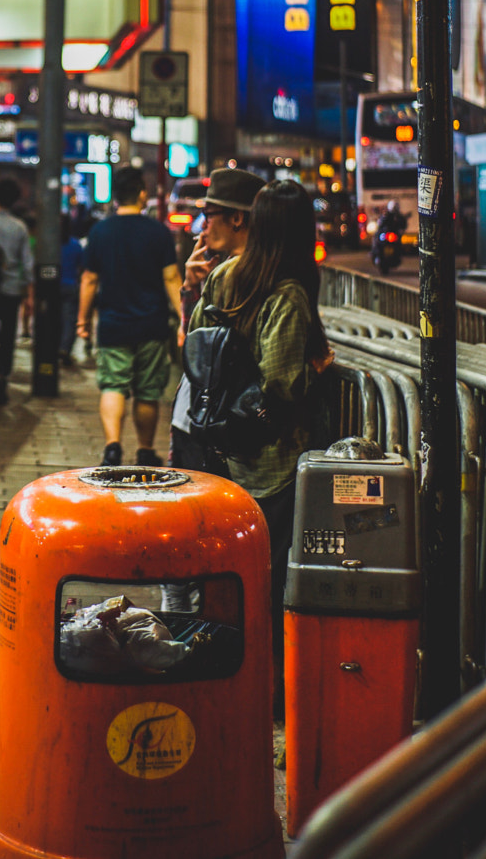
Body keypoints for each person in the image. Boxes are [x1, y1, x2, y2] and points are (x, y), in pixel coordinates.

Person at [188, 179, 331, 705]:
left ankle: (222, 673)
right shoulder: (288, 294)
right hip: (272, 462)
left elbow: (196, 346)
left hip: (219, 446)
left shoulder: (225, 277)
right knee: (270, 585)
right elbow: (282, 382)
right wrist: (317, 370)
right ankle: (266, 693)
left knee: (225, 574)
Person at [76, 167, 182, 468]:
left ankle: (113, 447)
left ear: (114, 195)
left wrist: (82, 321)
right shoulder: (157, 231)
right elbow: (172, 277)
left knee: (113, 386)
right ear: (141, 194)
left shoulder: (100, 232)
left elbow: (89, 280)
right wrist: (184, 319)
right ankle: (146, 450)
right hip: (152, 324)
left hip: (113, 324)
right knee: (148, 392)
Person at [170, 168, 265, 475]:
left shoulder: (239, 276)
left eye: (209, 214)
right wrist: (192, 286)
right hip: (207, 414)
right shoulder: (225, 271)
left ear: (236, 218)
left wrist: (195, 288)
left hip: (218, 420)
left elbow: (192, 344)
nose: (203, 225)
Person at [0, 177, 32, 404]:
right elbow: (28, 263)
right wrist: (29, 293)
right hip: (11, 288)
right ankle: (3, 374)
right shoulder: (19, 227)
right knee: (9, 333)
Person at [59, 209, 92, 368]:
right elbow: (83, 267)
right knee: (69, 320)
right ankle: (65, 348)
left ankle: (57, 346)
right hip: (71, 286)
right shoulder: (75, 245)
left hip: (53, 288)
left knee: (56, 319)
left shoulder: (49, 245)